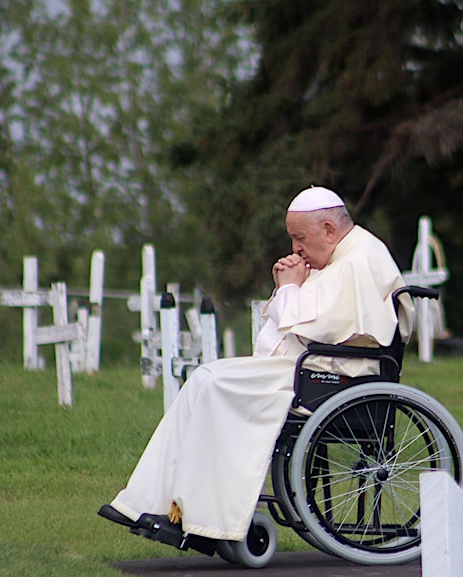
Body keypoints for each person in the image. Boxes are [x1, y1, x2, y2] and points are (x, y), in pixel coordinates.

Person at [99, 186, 414, 548]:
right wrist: (291, 284)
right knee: (204, 380)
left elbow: (309, 324)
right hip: (311, 368)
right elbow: (304, 319)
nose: (295, 248)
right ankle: (146, 503)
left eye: (300, 238)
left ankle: (206, 522)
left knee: (214, 383)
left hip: (333, 376)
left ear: (328, 229)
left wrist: (288, 288)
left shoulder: (359, 260)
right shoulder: (339, 256)